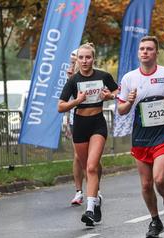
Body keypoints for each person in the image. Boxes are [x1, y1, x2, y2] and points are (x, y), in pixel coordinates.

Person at [117, 36, 164, 238]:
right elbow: (121, 109)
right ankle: (155, 220)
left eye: (149, 49)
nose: (145, 52)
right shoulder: (129, 78)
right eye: (142, 49)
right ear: (138, 53)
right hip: (141, 136)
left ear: (156, 53)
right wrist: (129, 101)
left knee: (159, 179)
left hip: (163, 135)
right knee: (145, 184)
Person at [58, 43, 118, 226]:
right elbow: (60, 106)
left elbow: (117, 91)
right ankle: (96, 197)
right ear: (78, 60)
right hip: (80, 126)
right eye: (81, 58)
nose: (85, 61)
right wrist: (77, 101)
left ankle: (90, 209)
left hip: (98, 124)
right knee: (87, 167)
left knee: (91, 167)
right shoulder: (73, 80)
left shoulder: (103, 76)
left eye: (88, 57)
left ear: (93, 59)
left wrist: (110, 96)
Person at [66, 49, 103, 206]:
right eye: (75, 60)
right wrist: (67, 120)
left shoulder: (94, 75)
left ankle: (95, 189)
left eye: (83, 58)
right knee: (78, 157)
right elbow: (65, 100)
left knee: (92, 161)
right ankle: (79, 191)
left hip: (94, 118)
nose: (80, 61)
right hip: (77, 117)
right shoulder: (72, 76)